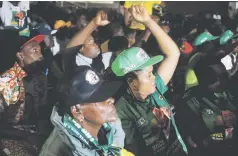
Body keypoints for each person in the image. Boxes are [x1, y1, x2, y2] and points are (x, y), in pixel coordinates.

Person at [111, 5, 187, 156]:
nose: (154, 77)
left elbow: (173, 53)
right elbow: (132, 150)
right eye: (147, 74)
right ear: (131, 81)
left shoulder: (154, 87)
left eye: (152, 72)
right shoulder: (121, 111)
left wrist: (148, 22)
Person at [39, 66, 132, 156]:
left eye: (107, 94)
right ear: (77, 111)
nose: (112, 99)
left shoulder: (110, 129)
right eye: (100, 98)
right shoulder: (59, 151)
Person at [0, 30, 51, 156]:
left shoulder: (40, 77)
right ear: (20, 55)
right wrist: (27, 135)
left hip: (35, 135)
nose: (41, 55)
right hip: (10, 139)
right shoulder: (7, 82)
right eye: (34, 50)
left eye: (40, 50)